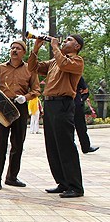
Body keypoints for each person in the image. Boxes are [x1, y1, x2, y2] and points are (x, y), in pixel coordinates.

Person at [27, 34, 85, 198]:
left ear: (77, 46)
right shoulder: (54, 61)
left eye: (69, 40)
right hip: (51, 104)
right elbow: (33, 68)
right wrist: (36, 48)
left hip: (63, 104)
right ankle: (63, 182)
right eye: (64, 39)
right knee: (52, 146)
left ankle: (75, 186)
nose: (65, 41)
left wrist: (54, 47)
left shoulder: (76, 61)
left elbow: (63, 64)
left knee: (66, 146)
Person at [0, 39, 41, 191]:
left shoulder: (30, 69)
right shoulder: (0, 68)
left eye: (18, 48)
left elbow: (36, 90)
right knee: (0, 143)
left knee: (18, 143)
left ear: (24, 52)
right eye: (12, 48)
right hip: (3, 107)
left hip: (20, 107)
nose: (14, 50)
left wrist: (26, 97)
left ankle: (11, 177)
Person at [74, 76, 99, 154]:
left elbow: (86, 91)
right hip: (69, 104)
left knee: (81, 127)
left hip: (76, 104)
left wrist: (81, 100)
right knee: (71, 128)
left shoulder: (77, 76)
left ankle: (85, 147)